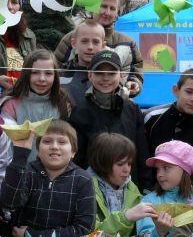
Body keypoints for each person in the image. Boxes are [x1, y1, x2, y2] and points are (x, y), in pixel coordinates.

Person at [68, 49, 151, 190]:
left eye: (112, 73)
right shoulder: (80, 111)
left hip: (129, 188)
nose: (105, 78)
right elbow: (77, 157)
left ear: (121, 75)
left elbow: (142, 152)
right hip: (92, 190)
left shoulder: (132, 109)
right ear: (90, 75)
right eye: (99, 73)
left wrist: (146, 187)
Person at [0, 119, 96, 237]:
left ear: (73, 152)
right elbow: (9, 204)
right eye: (47, 141)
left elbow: (85, 228)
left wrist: (34, 235)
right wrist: (20, 156)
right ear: (38, 151)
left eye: (62, 142)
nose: (54, 146)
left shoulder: (83, 180)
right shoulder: (27, 172)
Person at [55, 0, 144, 95]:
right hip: (74, 103)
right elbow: (56, 70)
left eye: (112, 8)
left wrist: (133, 84)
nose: (107, 12)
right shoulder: (70, 39)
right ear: (93, 8)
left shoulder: (128, 43)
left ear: (117, 13)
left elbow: (135, 73)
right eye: (103, 6)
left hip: (113, 105)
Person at [144, 68, 193, 184]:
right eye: (189, 92)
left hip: (183, 198)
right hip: (146, 192)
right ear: (176, 90)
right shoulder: (150, 118)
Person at [87, 133, 157, 237]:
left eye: (129, 163)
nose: (127, 169)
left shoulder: (132, 188)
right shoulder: (85, 187)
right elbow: (91, 233)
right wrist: (125, 217)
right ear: (102, 163)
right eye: (120, 164)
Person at [1, 48, 71, 144]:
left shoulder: (63, 103)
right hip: (20, 157)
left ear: (55, 76)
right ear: (26, 74)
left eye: (48, 73)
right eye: (35, 72)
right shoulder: (11, 104)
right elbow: (5, 140)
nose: (42, 78)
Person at [136, 140, 193, 237]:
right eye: (158, 169)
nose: (159, 174)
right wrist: (158, 232)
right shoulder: (148, 202)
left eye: (166, 168)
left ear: (185, 170)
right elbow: (143, 234)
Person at [60, 19, 106, 105]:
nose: (90, 47)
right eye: (84, 41)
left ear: (103, 46)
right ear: (74, 44)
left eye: (96, 42)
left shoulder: (109, 76)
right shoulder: (62, 75)